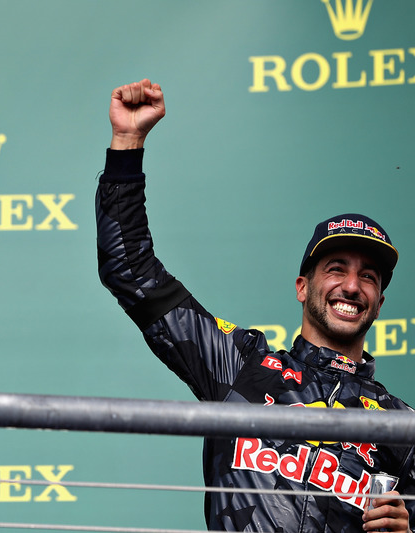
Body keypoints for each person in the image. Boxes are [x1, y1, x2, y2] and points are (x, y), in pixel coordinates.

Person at [96, 79, 414, 532]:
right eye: (336, 268)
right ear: (303, 287)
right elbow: (130, 272)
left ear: (379, 303)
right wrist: (127, 144)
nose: (351, 285)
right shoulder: (241, 363)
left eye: (368, 276)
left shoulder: (404, 428)